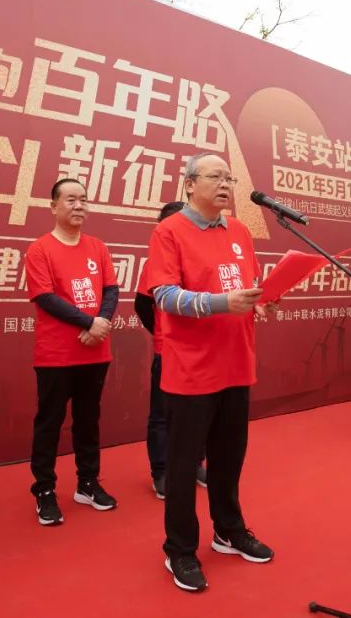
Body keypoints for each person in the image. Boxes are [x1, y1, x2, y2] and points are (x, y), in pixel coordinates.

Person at [144, 153, 276, 593]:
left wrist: (261, 299)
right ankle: (179, 549)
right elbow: (164, 295)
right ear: (189, 184)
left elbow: (245, 287)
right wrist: (222, 303)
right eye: (215, 177)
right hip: (192, 369)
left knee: (229, 457)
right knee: (184, 466)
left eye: (229, 178)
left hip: (237, 362)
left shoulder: (238, 231)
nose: (225, 184)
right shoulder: (169, 231)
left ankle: (228, 530)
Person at [24, 178, 120, 526]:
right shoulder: (40, 250)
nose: (79, 206)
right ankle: (45, 490)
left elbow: (111, 290)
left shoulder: (98, 247)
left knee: (88, 420)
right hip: (56, 354)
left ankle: (88, 483)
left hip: (95, 352)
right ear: (53, 206)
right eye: (70, 200)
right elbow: (46, 298)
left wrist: (101, 323)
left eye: (83, 199)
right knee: (50, 423)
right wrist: (89, 322)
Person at [135, 201, 207, 500]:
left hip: (203, 351)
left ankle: (195, 463)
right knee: (163, 416)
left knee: (199, 413)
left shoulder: (202, 258)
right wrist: (163, 334)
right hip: (169, 353)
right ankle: (161, 471)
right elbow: (142, 305)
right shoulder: (156, 263)